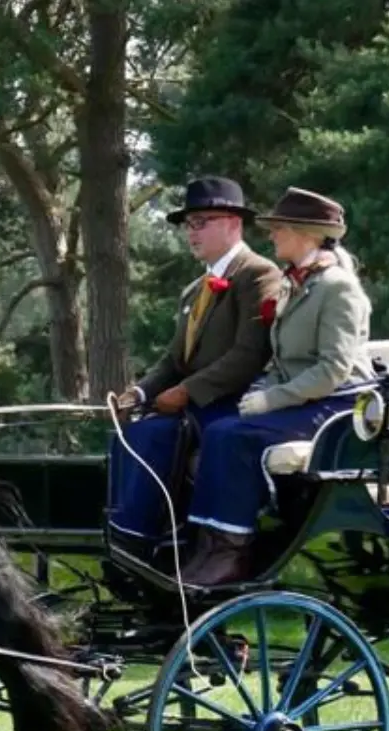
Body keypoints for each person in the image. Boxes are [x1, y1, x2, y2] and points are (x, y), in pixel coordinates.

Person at [180, 187, 376, 586]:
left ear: (305, 234)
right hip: (305, 400)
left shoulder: (337, 288)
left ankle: (233, 550)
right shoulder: (297, 284)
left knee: (236, 438)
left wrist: (271, 399)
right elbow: (283, 360)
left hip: (338, 407)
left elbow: (333, 369)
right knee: (218, 430)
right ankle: (210, 546)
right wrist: (261, 389)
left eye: (279, 228)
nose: (271, 235)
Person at [107, 176, 284, 556]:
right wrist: (138, 393)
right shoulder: (194, 289)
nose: (192, 232)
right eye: (188, 224)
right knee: (129, 435)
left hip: (231, 403)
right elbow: (175, 360)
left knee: (152, 435)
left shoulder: (258, 274)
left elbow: (249, 355)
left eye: (201, 222)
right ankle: (129, 536)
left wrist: (187, 391)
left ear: (233, 223)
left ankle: (145, 542)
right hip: (190, 405)